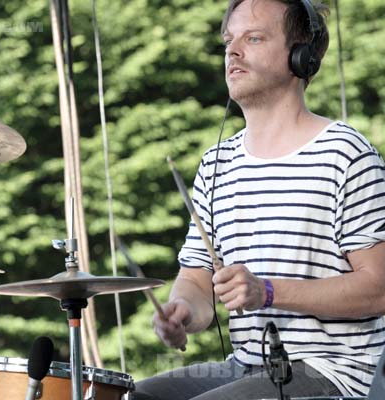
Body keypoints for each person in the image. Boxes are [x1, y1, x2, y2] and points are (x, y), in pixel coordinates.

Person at [132, 0, 385, 399]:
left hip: (335, 373)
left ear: (300, 56)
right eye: (229, 41)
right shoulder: (217, 162)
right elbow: (197, 278)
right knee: (136, 396)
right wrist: (181, 311)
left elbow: (379, 288)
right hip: (249, 365)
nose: (233, 51)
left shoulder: (346, 153)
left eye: (253, 38)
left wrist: (267, 291)